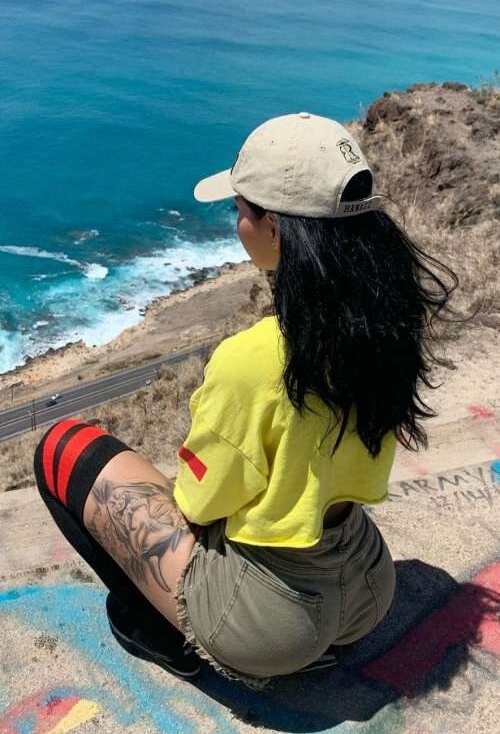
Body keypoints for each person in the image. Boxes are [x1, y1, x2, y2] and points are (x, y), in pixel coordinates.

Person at [34, 112, 459, 689]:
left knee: (63, 446)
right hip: (366, 586)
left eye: (240, 210)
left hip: (271, 627)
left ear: (275, 229)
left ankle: (171, 636)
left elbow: (202, 503)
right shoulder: (392, 326)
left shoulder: (254, 359)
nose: (237, 224)